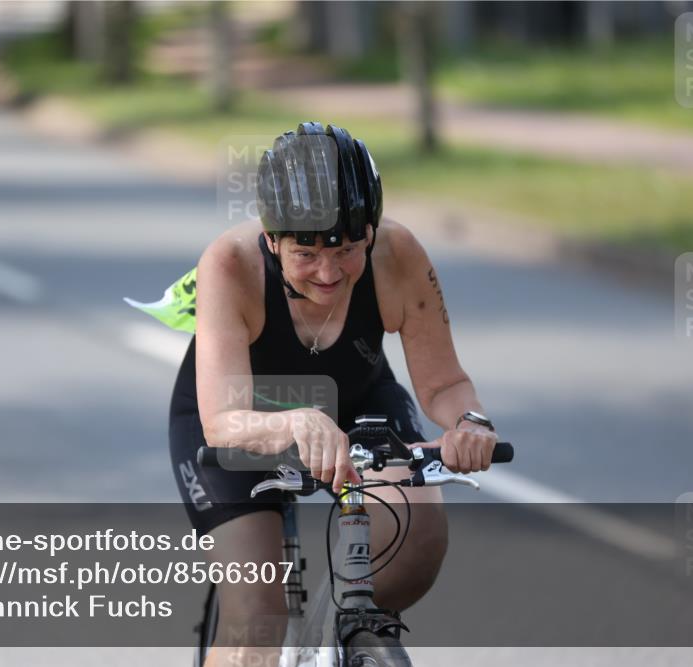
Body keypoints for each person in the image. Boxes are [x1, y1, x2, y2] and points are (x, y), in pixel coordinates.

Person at [168, 122, 498, 666]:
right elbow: (224, 419)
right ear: (271, 239)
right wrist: (293, 422)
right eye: (305, 253)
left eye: (346, 250)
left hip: (358, 404)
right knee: (257, 618)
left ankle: (342, 633)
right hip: (244, 421)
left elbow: (444, 384)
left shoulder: (398, 255)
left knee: (419, 538)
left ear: (369, 233)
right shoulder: (229, 265)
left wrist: (470, 423)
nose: (328, 272)